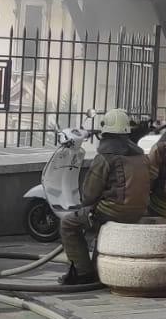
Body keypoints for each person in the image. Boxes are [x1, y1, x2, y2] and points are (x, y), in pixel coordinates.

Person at [59, 107, 152, 286]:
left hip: (112, 212)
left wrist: (85, 207)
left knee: (69, 223)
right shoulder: (141, 156)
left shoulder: (104, 158)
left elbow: (89, 195)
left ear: (106, 131)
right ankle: (97, 267)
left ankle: (83, 272)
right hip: (140, 211)